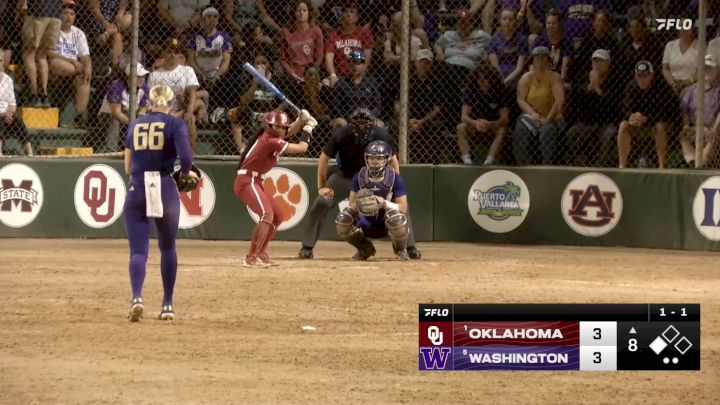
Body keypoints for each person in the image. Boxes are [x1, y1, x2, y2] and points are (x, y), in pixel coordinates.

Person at [298, 108, 422, 260]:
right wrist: (321, 187)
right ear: (352, 123)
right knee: (322, 202)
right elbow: (323, 158)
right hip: (347, 176)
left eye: (365, 123)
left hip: (375, 176)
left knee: (400, 204)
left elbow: (393, 160)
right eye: (358, 123)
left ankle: (409, 247)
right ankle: (307, 247)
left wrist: (394, 185)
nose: (362, 126)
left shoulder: (380, 133)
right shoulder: (343, 133)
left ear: (372, 122)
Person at [123, 84, 197, 322]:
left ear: (149, 102)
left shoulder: (135, 124)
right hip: (163, 185)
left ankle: (136, 297)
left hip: (137, 186)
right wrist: (185, 173)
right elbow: (186, 158)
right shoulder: (175, 124)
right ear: (171, 103)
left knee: (138, 250)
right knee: (167, 247)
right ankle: (167, 304)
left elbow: (127, 166)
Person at [234, 109, 318, 267]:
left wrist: (300, 120)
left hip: (256, 180)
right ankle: (251, 257)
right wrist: (308, 128)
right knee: (266, 214)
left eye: (282, 127)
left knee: (278, 215)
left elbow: (288, 130)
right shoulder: (270, 140)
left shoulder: (272, 136)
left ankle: (261, 253)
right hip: (247, 181)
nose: (281, 130)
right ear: (268, 126)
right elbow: (302, 148)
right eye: (277, 127)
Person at [335, 140, 411, 260]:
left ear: (386, 159)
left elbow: (403, 207)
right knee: (343, 220)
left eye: (379, 158)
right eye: (371, 158)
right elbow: (351, 204)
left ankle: (401, 250)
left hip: (385, 221)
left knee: (397, 219)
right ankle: (365, 248)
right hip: (365, 219)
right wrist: (363, 204)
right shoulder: (359, 177)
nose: (374, 161)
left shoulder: (394, 178)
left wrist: (383, 203)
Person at [617, 61, 677, 169]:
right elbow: (625, 107)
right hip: (638, 123)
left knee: (659, 126)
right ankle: (622, 165)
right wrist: (631, 117)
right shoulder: (631, 86)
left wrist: (647, 119)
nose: (642, 79)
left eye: (645, 75)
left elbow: (666, 113)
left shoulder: (661, 87)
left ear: (652, 75)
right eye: (639, 76)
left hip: (658, 124)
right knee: (623, 126)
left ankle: (662, 166)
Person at [49, 2, 91, 126]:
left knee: (85, 78)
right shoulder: (53, 29)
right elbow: (49, 54)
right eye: (65, 13)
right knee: (57, 63)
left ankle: (79, 117)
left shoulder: (78, 33)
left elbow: (86, 57)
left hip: (75, 70)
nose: (68, 16)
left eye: (72, 14)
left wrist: (88, 67)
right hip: (57, 67)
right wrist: (73, 61)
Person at [98, 63, 150, 152]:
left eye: (143, 76)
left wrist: (141, 117)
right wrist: (132, 123)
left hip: (130, 114)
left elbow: (143, 107)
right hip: (108, 115)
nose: (142, 79)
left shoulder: (144, 87)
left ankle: (141, 150)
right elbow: (116, 112)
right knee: (114, 120)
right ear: (128, 77)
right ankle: (111, 150)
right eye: (139, 76)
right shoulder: (116, 86)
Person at [0, 52, 33, 156]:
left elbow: (12, 103)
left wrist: (9, 114)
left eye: (0, 60)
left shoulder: (8, 80)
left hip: (6, 114)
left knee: (18, 120)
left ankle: (29, 151)